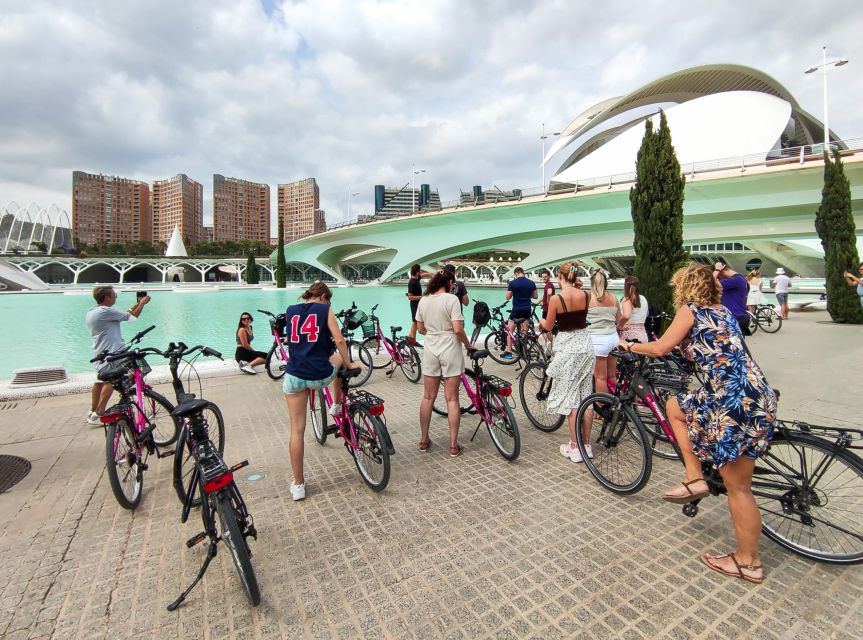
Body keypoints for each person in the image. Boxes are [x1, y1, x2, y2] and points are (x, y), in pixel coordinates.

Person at [617, 262, 777, 584]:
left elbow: (661, 346)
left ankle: (747, 560)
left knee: (739, 488)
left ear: (685, 286)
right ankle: (697, 476)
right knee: (678, 404)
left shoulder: (691, 310)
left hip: (732, 402)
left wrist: (629, 345)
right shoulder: (722, 311)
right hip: (758, 395)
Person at [282, 282, 360, 501]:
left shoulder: (290, 311)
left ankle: (298, 486)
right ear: (324, 296)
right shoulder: (325, 310)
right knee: (338, 358)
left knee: (296, 430)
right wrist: (350, 362)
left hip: (294, 376)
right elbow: (339, 340)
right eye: (329, 299)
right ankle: (336, 404)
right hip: (319, 375)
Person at [539, 262, 594, 463]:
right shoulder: (586, 295)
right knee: (586, 396)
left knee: (571, 399)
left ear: (559, 277)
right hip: (586, 346)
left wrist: (540, 324)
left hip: (568, 348)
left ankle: (574, 446)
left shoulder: (556, 298)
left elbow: (548, 324)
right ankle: (586, 445)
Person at [416, 270, 473, 457]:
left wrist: (433, 332)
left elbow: (420, 328)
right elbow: (458, 329)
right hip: (450, 348)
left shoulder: (423, 300)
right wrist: (468, 344)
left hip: (431, 348)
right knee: (452, 399)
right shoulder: (451, 300)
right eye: (452, 283)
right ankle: (453, 446)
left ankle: (424, 440)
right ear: (449, 282)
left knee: (428, 397)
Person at [85, 286, 150, 425]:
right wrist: (142, 304)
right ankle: (99, 414)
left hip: (100, 351)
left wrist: (137, 305)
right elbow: (132, 318)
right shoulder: (106, 311)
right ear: (107, 297)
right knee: (110, 381)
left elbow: (123, 315)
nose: (116, 297)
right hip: (113, 352)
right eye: (114, 295)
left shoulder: (93, 311)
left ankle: (92, 411)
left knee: (99, 382)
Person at [586, 270, 620, 395]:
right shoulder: (614, 298)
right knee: (611, 375)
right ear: (605, 283)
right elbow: (618, 320)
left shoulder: (588, 298)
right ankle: (615, 406)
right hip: (613, 339)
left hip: (597, 341)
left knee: (600, 377)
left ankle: (602, 408)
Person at [502, 267, 537, 359]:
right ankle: (524, 351)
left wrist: (515, 292)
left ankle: (509, 352)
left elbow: (507, 297)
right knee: (524, 331)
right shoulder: (531, 283)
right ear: (523, 272)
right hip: (527, 309)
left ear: (516, 273)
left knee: (510, 331)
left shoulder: (513, 283)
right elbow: (535, 296)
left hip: (517, 309)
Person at [714, 262, 751, 335]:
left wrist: (717, 270)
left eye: (718, 277)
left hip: (735, 317)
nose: (718, 279)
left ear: (722, 271)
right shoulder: (741, 279)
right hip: (738, 317)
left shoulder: (736, 280)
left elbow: (710, 283)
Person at [617, 275, 649, 344]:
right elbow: (646, 314)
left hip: (630, 337)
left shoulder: (626, 299)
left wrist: (619, 325)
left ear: (625, 287)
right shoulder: (643, 298)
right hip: (642, 335)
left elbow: (626, 315)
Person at [406, 263, 423, 341]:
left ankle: (409, 339)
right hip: (414, 305)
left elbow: (423, 275)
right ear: (417, 272)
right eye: (420, 271)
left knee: (415, 323)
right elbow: (410, 297)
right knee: (415, 322)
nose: (421, 272)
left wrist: (431, 274)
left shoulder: (417, 279)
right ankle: (413, 340)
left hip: (419, 305)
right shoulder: (412, 283)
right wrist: (422, 297)